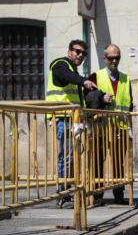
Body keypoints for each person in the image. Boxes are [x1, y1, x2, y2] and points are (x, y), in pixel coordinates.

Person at [47, 39, 98, 206]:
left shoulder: (73, 71)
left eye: (83, 53)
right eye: (77, 51)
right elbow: (65, 76)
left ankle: (71, 191)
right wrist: (83, 81)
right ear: (69, 51)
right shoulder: (60, 64)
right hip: (64, 118)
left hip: (74, 119)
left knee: (74, 156)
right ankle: (64, 193)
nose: (80, 55)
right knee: (67, 157)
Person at [87, 43, 133, 205]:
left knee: (118, 161)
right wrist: (101, 98)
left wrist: (129, 127)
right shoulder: (96, 76)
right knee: (98, 160)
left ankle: (119, 194)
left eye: (117, 58)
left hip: (119, 127)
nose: (114, 61)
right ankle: (98, 195)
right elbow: (88, 99)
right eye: (111, 58)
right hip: (101, 126)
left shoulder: (125, 79)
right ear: (104, 58)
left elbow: (129, 103)